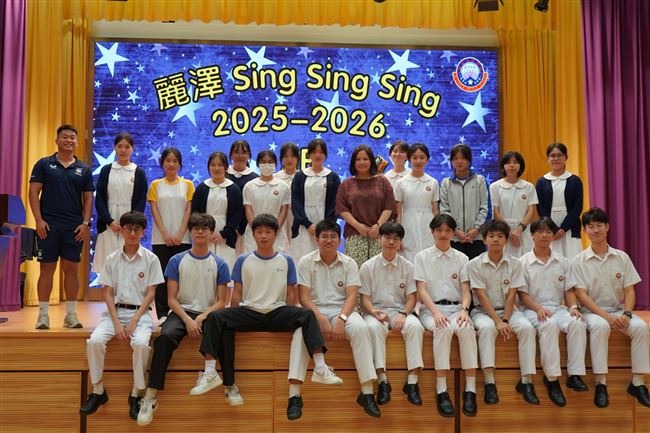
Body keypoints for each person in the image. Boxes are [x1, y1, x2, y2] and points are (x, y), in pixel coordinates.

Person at [192, 214, 342, 421]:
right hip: (249, 311)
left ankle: (320, 366)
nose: (263, 236)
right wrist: (231, 318)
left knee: (307, 314)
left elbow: (291, 294)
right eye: (259, 232)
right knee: (216, 318)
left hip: (277, 312)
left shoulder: (286, 260)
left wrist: (292, 320)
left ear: (276, 234)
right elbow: (237, 294)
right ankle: (209, 372)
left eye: (268, 232)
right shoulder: (242, 260)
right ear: (253, 235)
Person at [136, 213, 232, 425]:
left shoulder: (220, 263)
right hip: (181, 312)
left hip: (209, 313)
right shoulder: (176, 260)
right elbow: (171, 299)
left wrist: (202, 317)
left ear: (211, 233)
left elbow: (222, 301)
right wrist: (188, 320)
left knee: (226, 332)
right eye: (196, 228)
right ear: (190, 232)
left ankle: (229, 385)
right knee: (164, 337)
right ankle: (151, 395)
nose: (200, 232)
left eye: (205, 228)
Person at [80, 211, 163, 420]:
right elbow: (107, 292)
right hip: (114, 313)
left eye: (137, 229)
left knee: (141, 344)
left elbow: (151, 293)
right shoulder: (111, 259)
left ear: (143, 232)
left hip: (141, 314)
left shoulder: (151, 259)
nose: (132, 233)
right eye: (128, 229)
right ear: (122, 231)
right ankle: (98, 391)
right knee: (94, 341)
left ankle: (136, 393)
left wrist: (134, 320)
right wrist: (116, 322)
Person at [293, 219, 380, 418]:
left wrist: (342, 318)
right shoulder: (306, 261)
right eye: (324, 236)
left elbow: (352, 296)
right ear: (317, 239)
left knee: (361, 328)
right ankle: (294, 396)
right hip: (314, 311)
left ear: (339, 240)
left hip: (343, 310)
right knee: (299, 334)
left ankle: (367, 393)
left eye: (333, 236)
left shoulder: (349, 262)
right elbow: (303, 297)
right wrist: (320, 318)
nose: (329, 240)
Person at [572, 207, 650, 408]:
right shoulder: (578, 261)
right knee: (600, 327)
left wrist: (627, 313)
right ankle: (601, 383)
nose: (595, 230)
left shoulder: (621, 257)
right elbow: (581, 295)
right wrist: (607, 317)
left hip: (617, 310)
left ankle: (638, 383)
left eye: (599, 225)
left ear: (607, 227)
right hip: (592, 312)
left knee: (641, 328)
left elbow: (630, 290)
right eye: (590, 226)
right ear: (584, 231)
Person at [29, 124, 94, 329]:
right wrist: (38, 220)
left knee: (71, 270)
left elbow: (88, 199)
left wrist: (85, 224)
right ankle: (43, 316)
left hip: (74, 228)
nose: (68, 140)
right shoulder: (43, 164)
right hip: (48, 227)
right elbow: (33, 193)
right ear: (57, 141)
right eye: (64, 137)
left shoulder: (84, 169)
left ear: (77, 142)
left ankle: (71, 315)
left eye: (72, 137)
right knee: (46, 270)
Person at [518, 217, 588, 407]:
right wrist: (538, 308)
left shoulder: (562, 261)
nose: (544, 235)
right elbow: (522, 295)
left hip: (558, 308)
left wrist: (573, 307)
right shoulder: (522, 262)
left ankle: (575, 375)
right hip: (532, 309)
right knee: (548, 325)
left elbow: (569, 290)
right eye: (540, 231)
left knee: (577, 322)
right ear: (532, 235)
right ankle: (552, 379)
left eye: (548, 232)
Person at [467, 220, 539, 405]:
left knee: (527, 328)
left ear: (506, 240)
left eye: (500, 236)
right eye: (491, 236)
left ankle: (526, 381)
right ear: (484, 240)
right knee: (486, 329)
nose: (496, 240)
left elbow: (512, 294)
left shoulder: (515, 264)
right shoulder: (474, 264)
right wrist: (498, 322)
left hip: (509, 311)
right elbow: (481, 295)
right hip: (482, 311)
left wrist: (505, 319)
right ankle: (489, 382)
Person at [415, 214, 478, 417]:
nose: (443, 234)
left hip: (456, 308)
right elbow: (421, 290)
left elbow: (466, 291)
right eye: (439, 230)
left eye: (448, 230)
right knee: (443, 328)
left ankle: (470, 390)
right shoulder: (421, 257)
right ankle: (441, 390)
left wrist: (464, 310)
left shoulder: (462, 258)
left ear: (453, 233)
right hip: (431, 310)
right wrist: (435, 312)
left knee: (467, 328)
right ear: (432, 232)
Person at [359, 222, 424, 407]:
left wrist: (403, 313)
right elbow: (364, 299)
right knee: (372, 328)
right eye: (387, 237)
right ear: (380, 239)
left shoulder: (408, 267)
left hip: (400, 310)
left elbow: (412, 297)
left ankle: (412, 382)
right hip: (375, 311)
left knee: (416, 327)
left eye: (396, 239)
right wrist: (374, 312)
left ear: (400, 242)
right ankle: (382, 380)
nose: (391, 242)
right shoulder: (367, 266)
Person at [148, 147, 194, 323]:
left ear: (180, 164)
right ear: (162, 163)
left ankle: (180, 311)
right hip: (161, 239)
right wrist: (164, 233)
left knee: (181, 275)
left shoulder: (187, 185)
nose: (171, 164)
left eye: (175, 161)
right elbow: (154, 210)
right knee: (162, 276)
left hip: (183, 238)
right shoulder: (155, 185)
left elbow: (189, 209)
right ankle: (162, 313)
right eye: (168, 161)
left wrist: (181, 232)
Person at [93, 132, 148, 275]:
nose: (123, 150)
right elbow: (100, 199)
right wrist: (109, 221)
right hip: (108, 222)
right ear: (114, 148)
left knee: (128, 264)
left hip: (129, 224)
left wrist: (129, 225)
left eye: (127, 147)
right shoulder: (106, 170)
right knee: (107, 266)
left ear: (133, 149)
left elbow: (141, 201)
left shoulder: (139, 172)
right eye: (119, 146)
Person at [336, 145, 396, 267]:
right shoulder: (346, 184)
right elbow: (342, 208)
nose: (362, 162)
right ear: (353, 162)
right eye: (358, 159)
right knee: (355, 271)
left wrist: (378, 225)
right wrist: (358, 226)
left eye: (365, 159)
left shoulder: (382, 181)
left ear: (371, 161)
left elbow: (389, 206)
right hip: (354, 233)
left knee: (379, 271)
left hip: (379, 234)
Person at [290, 139, 340, 262]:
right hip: (304, 224)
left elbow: (335, 202)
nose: (318, 155)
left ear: (325, 155)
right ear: (309, 154)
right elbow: (296, 201)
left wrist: (325, 225)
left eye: (321, 152)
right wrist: (307, 224)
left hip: (325, 222)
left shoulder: (332, 177)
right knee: (303, 258)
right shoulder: (300, 176)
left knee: (324, 257)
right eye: (314, 152)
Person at [191, 151, 242, 271]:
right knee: (204, 269)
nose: (216, 168)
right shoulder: (202, 188)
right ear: (208, 167)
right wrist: (204, 231)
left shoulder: (233, 188)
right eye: (213, 165)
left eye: (220, 165)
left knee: (226, 269)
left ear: (226, 167)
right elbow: (195, 213)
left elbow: (237, 214)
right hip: (205, 233)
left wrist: (224, 233)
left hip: (225, 236)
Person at [439, 144, 489, 259]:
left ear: (469, 160)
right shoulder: (446, 183)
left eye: (463, 158)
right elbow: (444, 209)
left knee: (475, 268)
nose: (459, 161)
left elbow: (485, 206)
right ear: (451, 161)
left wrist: (477, 228)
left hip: (476, 237)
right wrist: (455, 230)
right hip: (454, 237)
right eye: (455, 158)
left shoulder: (480, 180)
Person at [535, 143, 583, 260]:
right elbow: (540, 207)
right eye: (552, 156)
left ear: (566, 157)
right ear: (548, 159)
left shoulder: (575, 180)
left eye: (559, 155)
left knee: (573, 259)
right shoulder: (541, 182)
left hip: (571, 225)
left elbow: (578, 207)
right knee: (552, 260)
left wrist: (563, 229)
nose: (556, 158)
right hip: (550, 225)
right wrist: (554, 229)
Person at [394, 143, 439, 262]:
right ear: (409, 159)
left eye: (422, 157)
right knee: (409, 257)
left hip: (428, 222)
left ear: (427, 160)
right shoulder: (401, 183)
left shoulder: (433, 182)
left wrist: (437, 231)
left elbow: (435, 211)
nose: (418, 161)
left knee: (428, 257)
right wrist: (398, 235)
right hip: (408, 222)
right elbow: (398, 212)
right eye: (414, 158)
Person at [490, 151, 537, 258]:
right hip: (503, 230)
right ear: (503, 166)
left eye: (515, 162)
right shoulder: (495, 187)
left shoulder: (529, 187)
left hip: (523, 229)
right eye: (508, 163)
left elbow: (531, 211)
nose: (511, 165)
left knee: (525, 260)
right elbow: (495, 211)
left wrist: (519, 229)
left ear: (520, 165)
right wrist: (509, 232)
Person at [242, 150, 290, 253]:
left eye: (270, 162)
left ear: (275, 164)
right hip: (253, 233)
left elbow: (284, 211)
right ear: (258, 164)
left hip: (277, 234)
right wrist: (256, 229)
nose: (266, 165)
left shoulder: (283, 186)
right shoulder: (249, 186)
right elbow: (248, 209)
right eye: (263, 162)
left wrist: (275, 230)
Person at [225, 140, 259, 255]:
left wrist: (240, 228)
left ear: (249, 155)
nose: (240, 156)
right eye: (236, 152)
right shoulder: (223, 175)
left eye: (244, 152)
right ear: (230, 155)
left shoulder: (255, 178)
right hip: (224, 228)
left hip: (247, 229)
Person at [276, 142, 300, 248]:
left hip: (298, 217)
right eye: (285, 156)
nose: (289, 160)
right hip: (280, 216)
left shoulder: (302, 177)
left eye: (293, 156)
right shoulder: (275, 177)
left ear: (298, 158)